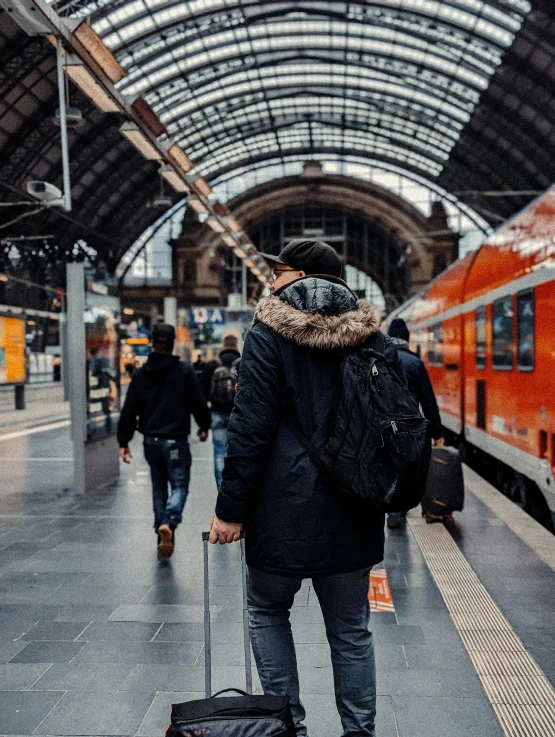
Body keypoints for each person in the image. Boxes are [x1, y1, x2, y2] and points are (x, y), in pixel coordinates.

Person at [208, 239, 406, 737]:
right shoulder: (373, 338)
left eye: (277, 274)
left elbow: (249, 428)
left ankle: (286, 728)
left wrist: (231, 510)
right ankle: (360, 732)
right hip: (355, 506)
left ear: (297, 277)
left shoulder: (267, 334)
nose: (271, 282)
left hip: (281, 511)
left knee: (267, 610)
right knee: (352, 631)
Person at [118, 323, 211, 558]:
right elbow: (198, 403)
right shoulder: (184, 371)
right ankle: (169, 522)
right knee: (179, 485)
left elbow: (129, 410)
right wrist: (204, 425)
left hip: (150, 441)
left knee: (159, 487)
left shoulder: (139, 374)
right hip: (176, 441)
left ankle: (162, 531)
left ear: (151, 343)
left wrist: (123, 441)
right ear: (172, 344)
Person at [386, 318, 444, 529]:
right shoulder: (416, 363)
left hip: (385, 424)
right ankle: (400, 507)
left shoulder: (379, 358)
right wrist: (437, 432)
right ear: (408, 339)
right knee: (408, 467)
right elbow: (428, 402)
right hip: (410, 426)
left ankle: (392, 511)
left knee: (389, 466)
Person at [206, 335, 242, 491]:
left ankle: (222, 489)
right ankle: (237, 489)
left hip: (217, 413)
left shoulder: (213, 365)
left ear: (223, 345)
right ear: (236, 345)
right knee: (239, 453)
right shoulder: (243, 364)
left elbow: (203, 391)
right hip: (238, 414)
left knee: (220, 453)